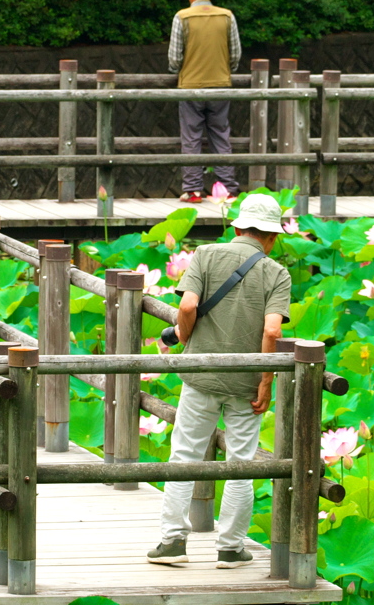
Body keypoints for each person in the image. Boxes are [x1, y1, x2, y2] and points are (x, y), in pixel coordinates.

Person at [146, 194, 291, 569]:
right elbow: (272, 331)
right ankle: (230, 548)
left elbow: (188, 307)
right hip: (246, 385)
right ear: (272, 237)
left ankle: (173, 542)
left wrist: (187, 339)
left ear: (238, 227)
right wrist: (265, 381)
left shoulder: (206, 255)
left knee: (184, 456)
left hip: (200, 376)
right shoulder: (277, 273)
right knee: (240, 463)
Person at [168, 0, 242, 203]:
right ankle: (228, 188)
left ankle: (193, 190)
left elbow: (174, 58)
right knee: (221, 134)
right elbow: (235, 54)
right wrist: (225, 70)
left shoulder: (182, 17)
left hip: (190, 84)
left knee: (191, 137)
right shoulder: (227, 16)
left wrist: (178, 71)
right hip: (221, 83)